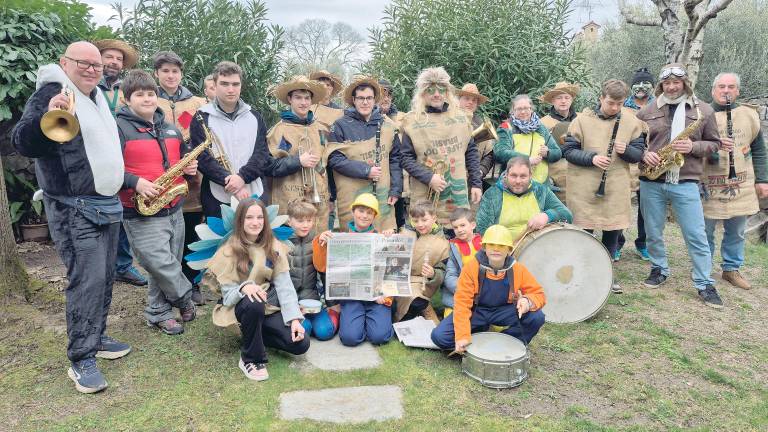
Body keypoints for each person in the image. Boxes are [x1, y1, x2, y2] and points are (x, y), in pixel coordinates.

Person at [12, 41, 130, 393]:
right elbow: (24, 141)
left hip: (105, 203)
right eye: (84, 63)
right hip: (74, 208)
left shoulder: (95, 95)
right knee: (87, 280)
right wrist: (47, 115)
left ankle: (97, 336)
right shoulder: (53, 90)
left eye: (97, 64)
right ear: (65, 63)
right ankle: (81, 358)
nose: (93, 69)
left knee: (105, 276)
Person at [115, 70, 198, 334]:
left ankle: (158, 311)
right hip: (140, 209)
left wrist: (190, 166)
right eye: (139, 95)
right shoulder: (118, 127)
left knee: (167, 262)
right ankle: (185, 297)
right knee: (159, 263)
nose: (147, 99)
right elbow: (107, 168)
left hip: (174, 206)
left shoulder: (169, 127)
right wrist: (135, 182)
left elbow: (182, 157)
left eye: (151, 94)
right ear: (127, 99)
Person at [636, 63, 724, 308]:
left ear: (685, 83)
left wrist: (693, 147)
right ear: (661, 85)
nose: (672, 87)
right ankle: (659, 268)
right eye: (667, 83)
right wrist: (644, 154)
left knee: (696, 234)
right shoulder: (646, 111)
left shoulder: (703, 110)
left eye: (677, 82)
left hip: (686, 181)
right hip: (651, 179)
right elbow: (633, 141)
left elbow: (715, 144)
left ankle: (704, 283)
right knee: (653, 231)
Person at [204, 198, 308, 381]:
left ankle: (254, 335)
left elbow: (285, 286)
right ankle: (250, 359)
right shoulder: (228, 251)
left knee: (300, 344)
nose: (255, 222)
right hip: (241, 306)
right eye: (249, 217)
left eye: (260, 217)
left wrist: (294, 319)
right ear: (240, 221)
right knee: (254, 301)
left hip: (268, 305)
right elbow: (227, 297)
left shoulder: (273, 246)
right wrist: (245, 287)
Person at [562, 79, 647, 294]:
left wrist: (626, 150)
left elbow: (638, 154)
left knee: (612, 230)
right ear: (601, 98)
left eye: (619, 104)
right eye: (610, 103)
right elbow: (569, 152)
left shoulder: (632, 121)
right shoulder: (581, 120)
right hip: (584, 188)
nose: (615, 108)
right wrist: (591, 158)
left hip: (616, 188)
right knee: (584, 232)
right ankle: (579, 274)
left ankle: (605, 275)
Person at [430, 225, 546, 351]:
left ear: (509, 249)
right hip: (476, 311)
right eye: (491, 245)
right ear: (484, 247)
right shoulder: (471, 268)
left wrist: (527, 301)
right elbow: (462, 303)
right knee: (439, 337)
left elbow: (538, 294)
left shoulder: (518, 269)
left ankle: (505, 344)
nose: (496, 249)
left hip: (504, 310)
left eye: (501, 246)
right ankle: (474, 346)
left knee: (536, 317)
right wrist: (462, 336)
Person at [702, 72, 768, 290]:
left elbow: (759, 150)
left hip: (742, 182)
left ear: (737, 91)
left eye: (731, 87)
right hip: (710, 182)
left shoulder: (748, 115)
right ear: (713, 90)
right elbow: (693, 148)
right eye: (721, 87)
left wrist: (763, 179)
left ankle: (731, 269)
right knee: (706, 230)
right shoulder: (702, 113)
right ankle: (704, 268)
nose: (726, 91)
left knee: (736, 230)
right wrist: (714, 149)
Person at [152, 51, 208, 304]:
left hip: (193, 179)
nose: (170, 76)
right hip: (162, 178)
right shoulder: (150, 100)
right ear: (157, 74)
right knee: (166, 237)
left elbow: (204, 136)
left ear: (181, 74)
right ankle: (169, 286)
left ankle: (193, 283)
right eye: (165, 71)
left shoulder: (196, 103)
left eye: (175, 71)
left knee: (193, 234)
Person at [399, 67, 483, 232]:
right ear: (423, 93)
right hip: (426, 196)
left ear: (447, 92)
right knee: (428, 242)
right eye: (430, 90)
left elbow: (470, 151)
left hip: (456, 197)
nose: (436, 94)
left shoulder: (460, 118)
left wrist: (476, 183)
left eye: (441, 89)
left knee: (457, 238)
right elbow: (405, 158)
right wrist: (429, 177)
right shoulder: (413, 121)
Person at [94, 38, 147, 287]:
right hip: (97, 157)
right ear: (99, 58)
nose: (114, 62)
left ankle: (123, 266)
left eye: (118, 59)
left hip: (124, 156)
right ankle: (101, 266)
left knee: (121, 210)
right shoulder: (90, 87)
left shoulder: (123, 91)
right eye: (109, 57)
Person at [312, 193, 395, 346]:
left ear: (375, 216)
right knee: (350, 338)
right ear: (353, 212)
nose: (364, 216)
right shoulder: (338, 239)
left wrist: (392, 238)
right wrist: (321, 242)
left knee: (380, 337)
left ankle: (374, 322)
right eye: (361, 211)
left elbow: (393, 271)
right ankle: (359, 321)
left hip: (376, 298)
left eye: (369, 212)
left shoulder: (382, 238)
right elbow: (321, 266)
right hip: (352, 297)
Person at [190, 61, 270, 218]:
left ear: (241, 85)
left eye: (235, 84)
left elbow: (262, 154)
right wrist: (230, 182)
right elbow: (203, 157)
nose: (231, 89)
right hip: (217, 195)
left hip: (254, 191)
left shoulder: (254, 116)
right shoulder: (201, 117)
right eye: (224, 84)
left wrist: (242, 178)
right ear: (215, 84)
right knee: (221, 242)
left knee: (255, 240)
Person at [327, 76, 403, 232]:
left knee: (383, 243)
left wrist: (396, 189)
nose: (365, 102)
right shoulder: (340, 125)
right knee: (354, 244)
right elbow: (334, 159)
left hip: (383, 196)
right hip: (351, 196)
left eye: (369, 98)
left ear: (375, 100)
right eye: (361, 98)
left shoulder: (387, 125)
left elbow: (396, 159)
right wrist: (365, 171)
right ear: (353, 100)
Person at [267, 75, 332, 232]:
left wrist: (332, 196)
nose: (303, 102)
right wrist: (298, 161)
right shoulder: (278, 130)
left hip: (319, 199)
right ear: (290, 99)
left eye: (307, 98)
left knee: (318, 242)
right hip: (289, 199)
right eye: (298, 98)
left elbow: (328, 163)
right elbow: (270, 166)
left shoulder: (322, 129)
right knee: (291, 248)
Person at [617, 67, 657, 261]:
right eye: (637, 84)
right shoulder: (621, 106)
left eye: (645, 84)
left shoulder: (659, 106)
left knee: (647, 207)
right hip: (627, 160)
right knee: (619, 204)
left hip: (653, 163)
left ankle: (643, 243)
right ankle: (616, 242)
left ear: (653, 86)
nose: (640, 88)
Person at [476, 156, 572, 236]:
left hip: (535, 248)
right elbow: (482, 230)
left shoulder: (541, 191)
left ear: (530, 176)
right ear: (506, 175)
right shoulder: (492, 194)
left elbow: (567, 215)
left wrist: (547, 216)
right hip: (504, 252)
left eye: (523, 176)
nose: (518, 181)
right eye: (513, 176)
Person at [285, 200, 338, 340]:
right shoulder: (281, 240)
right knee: (305, 329)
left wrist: (332, 305)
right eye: (300, 221)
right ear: (289, 221)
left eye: (309, 220)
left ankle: (325, 319)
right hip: (290, 301)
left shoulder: (317, 240)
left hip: (311, 299)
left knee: (325, 332)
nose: (305, 225)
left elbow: (324, 271)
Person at [395, 200, 450, 324]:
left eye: (424, 220)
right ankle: (417, 312)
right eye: (415, 221)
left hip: (424, 282)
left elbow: (443, 270)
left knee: (416, 300)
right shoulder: (405, 233)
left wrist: (433, 274)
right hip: (401, 278)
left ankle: (425, 309)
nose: (420, 224)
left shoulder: (442, 241)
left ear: (434, 218)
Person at [494, 94, 562, 186]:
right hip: (514, 185)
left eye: (526, 108)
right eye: (519, 109)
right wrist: (526, 160)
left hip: (540, 186)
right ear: (512, 111)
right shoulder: (506, 127)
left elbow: (557, 152)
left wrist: (548, 153)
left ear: (531, 109)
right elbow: (500, 152)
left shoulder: (541, 128)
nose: (523, 112)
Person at [538, 81, 580, 201]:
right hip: (554, 174)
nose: (563, 101)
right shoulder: (543, 123)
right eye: (559, 98)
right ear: (552, 101)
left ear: (572, 100)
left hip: (579, 173)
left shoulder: (582, 120)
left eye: (567, 97)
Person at [378, 78, 409, 229]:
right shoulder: (369, 118)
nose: (386, 98)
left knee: (398, 221)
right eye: (381, 94)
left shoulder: (401, 117)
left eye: (389, 94)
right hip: (378, 177)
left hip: (399, 178)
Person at [442, 208, 482, 317]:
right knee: (450, 320)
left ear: (473, 225)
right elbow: (450, 274)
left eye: (462, 225)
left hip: (484, 288)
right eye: (455, 227)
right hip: (462, 290)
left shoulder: (484, 243)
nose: (459, 230)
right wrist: (462, 289)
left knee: (498, 323)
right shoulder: (454, 247)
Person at [457, 83, 495, 181]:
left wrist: (481, 171)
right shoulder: (446, 120)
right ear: (458, 100)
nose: (470, 102)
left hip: (473, 181)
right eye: (467, 98)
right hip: (449, 178)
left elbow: (490, 154)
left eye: (474, 100)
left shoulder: (481, 124)